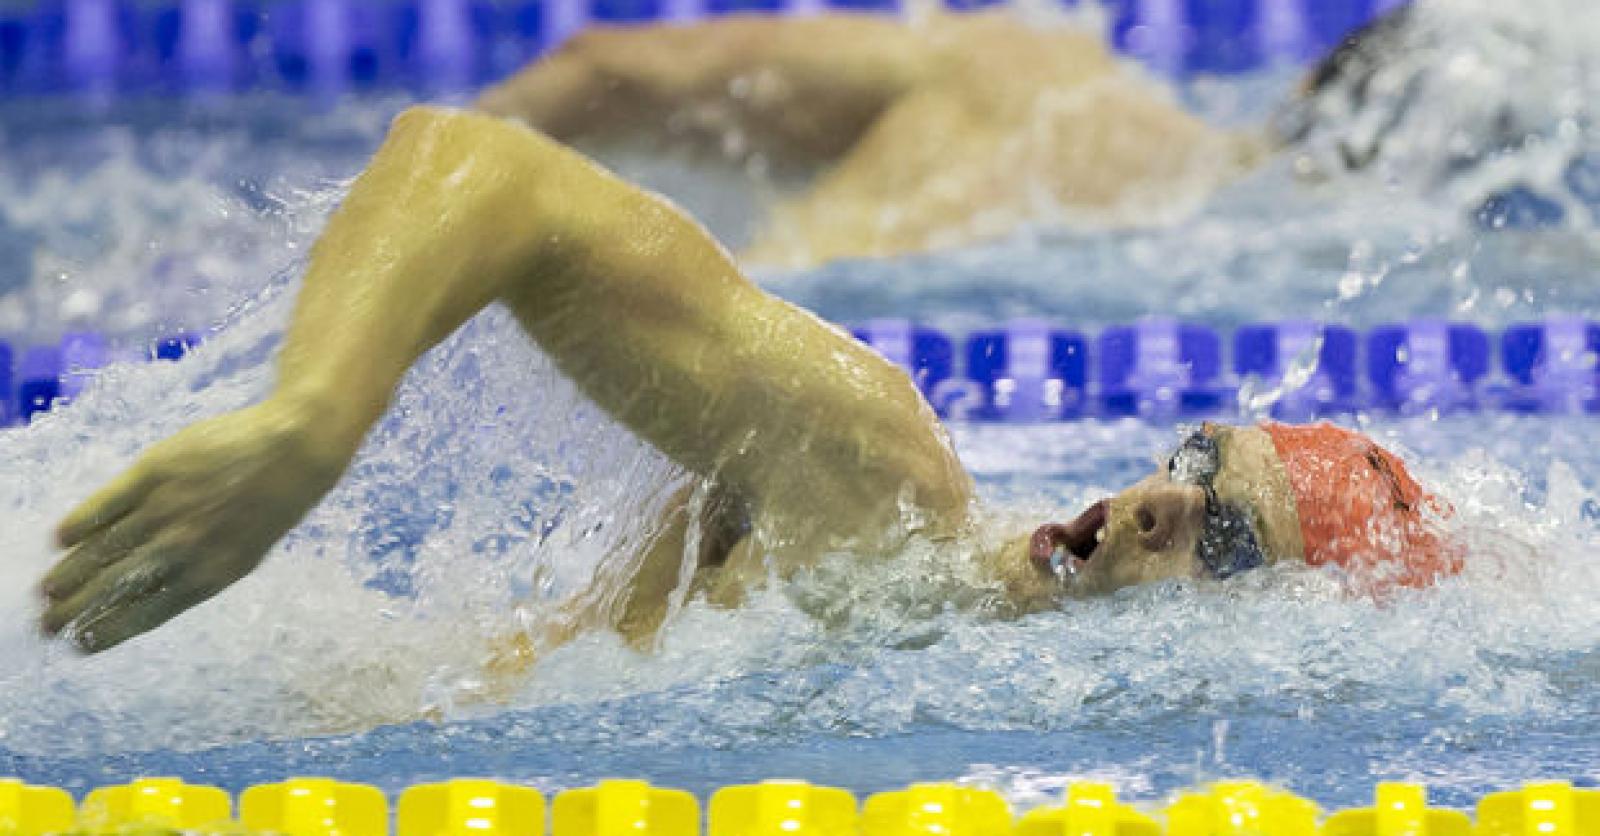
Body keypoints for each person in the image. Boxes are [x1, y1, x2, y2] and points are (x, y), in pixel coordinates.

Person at [36, 9, 1458, 661]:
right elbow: (490, 164)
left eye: (1217, 540)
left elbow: (597, 73)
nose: (1160, 495)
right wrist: (311, 423)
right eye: (1197, 461)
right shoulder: (885, 486)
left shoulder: (1034, 72)